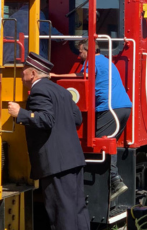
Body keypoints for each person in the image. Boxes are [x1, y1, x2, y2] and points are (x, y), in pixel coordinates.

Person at [7, 52, 90, 230]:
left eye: (24, 71)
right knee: (77, 209)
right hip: (73, 159)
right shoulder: (60, 90)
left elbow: (45, 120)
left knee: (62, 212)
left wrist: (19, 113)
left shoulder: (39, 91)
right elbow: (76, 119)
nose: (22, 75)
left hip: (56, 163)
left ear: (33, 74)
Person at [50, 39, 132, 201]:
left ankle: (113, 182)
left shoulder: (93, 61)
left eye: (81, 51)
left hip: (110, 108)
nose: (79, 54)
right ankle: (114, 181)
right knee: (109, 142)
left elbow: (84, 76)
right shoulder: (104, 61)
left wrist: (56, 76)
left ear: (89, 51)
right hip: (123, 107)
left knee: (97, 146)